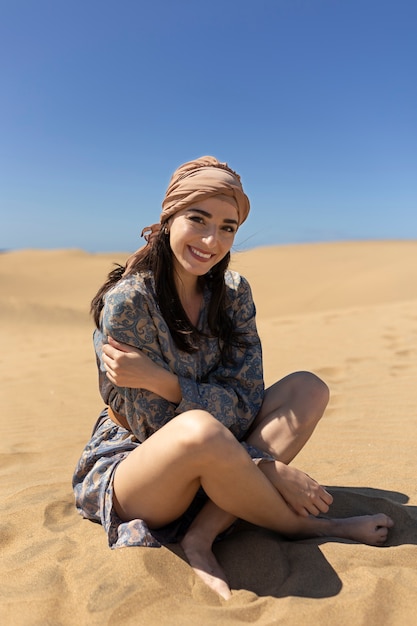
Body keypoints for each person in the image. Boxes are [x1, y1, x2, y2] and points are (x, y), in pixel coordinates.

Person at [73, 155, 393, 600]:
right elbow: (153, 427)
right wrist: (266, 466)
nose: (212, 240)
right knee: (198, 429)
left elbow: (245, 399)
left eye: (228, 227)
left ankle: (201, 534)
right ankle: (310, 526)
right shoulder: (129, 302)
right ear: (168, 219)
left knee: (308, 387)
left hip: (218, 442)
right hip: (140, 467)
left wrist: (165, 382)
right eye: (198, 219)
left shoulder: (234, 293)